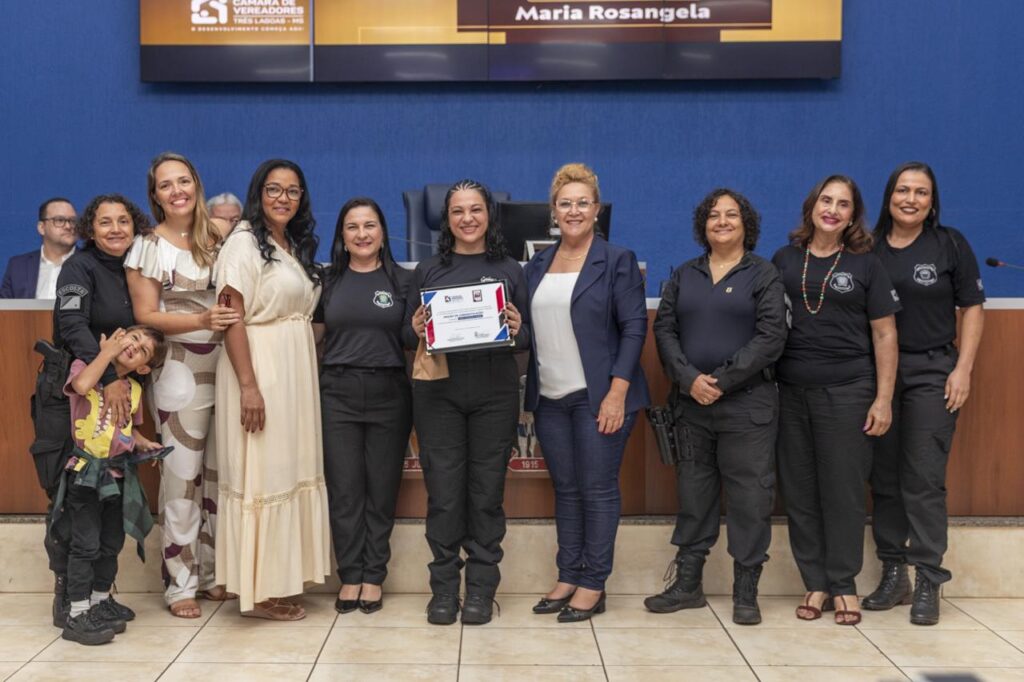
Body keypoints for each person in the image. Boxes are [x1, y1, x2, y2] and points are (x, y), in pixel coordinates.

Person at [646, 188, 786, 625]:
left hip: (748, 405)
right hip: (691, 407)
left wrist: (720, 381)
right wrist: (689, 380)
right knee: (694, 495)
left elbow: (771, 339)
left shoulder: (763, 275)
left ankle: (746, 592)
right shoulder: (684, 275)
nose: (721, 221)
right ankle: (688, 585)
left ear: (747, 224)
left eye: (731, 215)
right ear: (702, 225)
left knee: (749, 498)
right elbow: (664, 331)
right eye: (713, 215)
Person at [523, 163, 648, 623]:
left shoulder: (616, 259)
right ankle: (567, 575)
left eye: (582, 202)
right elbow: (528, 328)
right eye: (564, 203)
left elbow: (634, 329)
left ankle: (594, 583)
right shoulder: (537, 263)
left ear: (596, 209)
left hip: (600, 397)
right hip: (551, 398)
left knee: (597, 491)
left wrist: (617, 393)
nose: (573, 210)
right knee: (568, 490)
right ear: (552, 211)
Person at [772, 175, 900, 625]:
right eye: (825, 200)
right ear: (811, 206)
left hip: (848, 393)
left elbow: (885, 334)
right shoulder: (784, 260)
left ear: (852, 216)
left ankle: (844, 584)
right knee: (801, 490)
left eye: (842, 204)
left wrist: (882, 399)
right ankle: (816, 582)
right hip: (790, 394)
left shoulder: (867, 266)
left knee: (843, 492)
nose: (832, 209)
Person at [864, 162, 985, 625]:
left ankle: (930, 579)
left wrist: (963, 370)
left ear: (932, 202)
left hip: (934, 372)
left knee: (923, 478)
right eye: (902, 190)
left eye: (920, 192)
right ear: (888, 196)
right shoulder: (867, 247)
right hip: (877, 378)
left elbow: (973, 309)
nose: (910, 199)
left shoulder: (949, 244)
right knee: (886, 478)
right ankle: (894, 574)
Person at [404, 179, 528, 626]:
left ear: (489, 215)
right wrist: (416, 327)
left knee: (486, 494)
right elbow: (404, 334)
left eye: (475, 210)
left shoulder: (511, 269)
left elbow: (529, 337)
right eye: (457, 211)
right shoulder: (427, 269)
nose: (467, 219)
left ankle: (479, 590)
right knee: (444, 495)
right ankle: (442, 591)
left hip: (495, 393)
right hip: (439, 394)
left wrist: (517, 326)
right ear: (446, 218)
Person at [213, 159, 331, 620]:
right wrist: (248, 387)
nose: (284, 198)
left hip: (293, 372)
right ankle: (257, 592)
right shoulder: (241, 244)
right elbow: (231, 318)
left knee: (287, 469)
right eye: (274, 189)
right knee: (261, 472)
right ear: (257, 192)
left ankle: (279, 579)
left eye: (293, 191)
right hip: (258, 368)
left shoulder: (289, 244)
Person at [125, 152, 239, 618]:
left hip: (230, 365)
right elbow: (145, 315)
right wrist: (200, 317)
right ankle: (180, 584)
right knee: (181, 479)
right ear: (155, 196)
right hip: (179, 372)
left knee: (219, 475)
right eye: (166, 185)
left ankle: (212, 575)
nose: (178, 191)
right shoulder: (146, 246)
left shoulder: (224, 237)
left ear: (197, 183)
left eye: (184, 181)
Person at [36, 194, 152, 629]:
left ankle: (97, 598)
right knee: (72, 502)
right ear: (90, 229)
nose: (116, 229)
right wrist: (109, 379)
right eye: (105, 222)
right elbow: (72, 327)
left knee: (106, 508)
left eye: (124, 221)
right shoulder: (78, 268)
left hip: (119, 399)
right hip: (74, 394)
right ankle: (69, 602)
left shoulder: (132, 269)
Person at [314, 198, 413, 615]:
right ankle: (350, 574)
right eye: (352, 227)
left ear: (383, 232)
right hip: (337, 391)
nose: (362, 234)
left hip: (389, 391)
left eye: (370, 225)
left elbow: (410, 339)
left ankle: (374, 575)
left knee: (382, 489)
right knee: (346, 490)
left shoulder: (401, 281)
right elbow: (312, 337)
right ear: (342, 236)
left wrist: (421, 328)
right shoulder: (327, 281)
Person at [59, 325, 167, 645]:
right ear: (121, 337)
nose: (135, 347)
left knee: (111, 542)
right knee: (86, 544)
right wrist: (105, 353)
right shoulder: (85, 366)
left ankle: (98, 601)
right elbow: (81, 385)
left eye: (144, 350)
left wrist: (143, 442)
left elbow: (126, 429)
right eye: (134, 338)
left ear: (143, 367)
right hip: (85, 474)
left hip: (116, 475)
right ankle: (77, 614)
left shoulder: (133, 390)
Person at [1, 197, 78, 298]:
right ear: (41, 228)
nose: (68, 226)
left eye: (73, 221)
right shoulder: (18, 266)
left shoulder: (92, 263)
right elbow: (4, 309)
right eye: (59, 220)